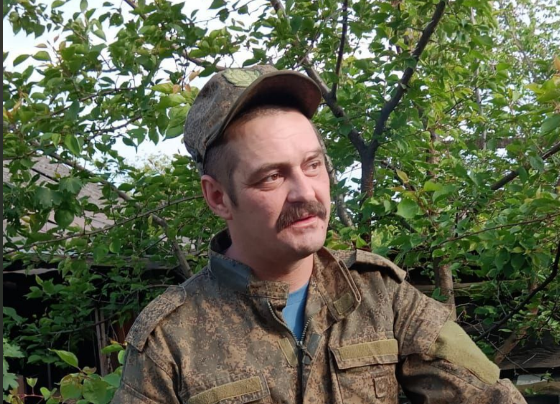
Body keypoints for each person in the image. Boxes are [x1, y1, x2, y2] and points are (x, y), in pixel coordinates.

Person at [112, 65, 526, 403]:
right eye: (272, 177)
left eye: (312, 165)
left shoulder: (379, 295)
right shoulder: (170, 339)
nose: (306, 193)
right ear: (219, 197)